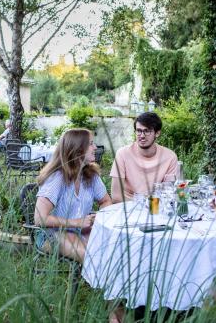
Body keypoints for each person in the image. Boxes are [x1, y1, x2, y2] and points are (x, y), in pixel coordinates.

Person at [34, 128, 112, 264]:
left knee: (113, 249)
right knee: (92, 257)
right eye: (91, 144)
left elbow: (106, 201)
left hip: (79, 230)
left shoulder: (90, 175)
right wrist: (76, 222)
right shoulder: (57, 177)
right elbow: (40, 218)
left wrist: (97, 218)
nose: (95, 147)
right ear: (78, 149)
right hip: (51, 234)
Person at [110, 112, 178, 203]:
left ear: (157, 133)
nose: (142, 136)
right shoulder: (122, 154)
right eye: (138, 131)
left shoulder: (169, 157)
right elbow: (116, 196)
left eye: (147, 131)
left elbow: (170, 192)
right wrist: (145, 204)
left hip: (156, 207)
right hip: (128, 207)